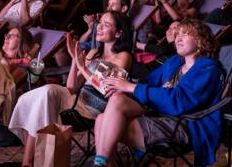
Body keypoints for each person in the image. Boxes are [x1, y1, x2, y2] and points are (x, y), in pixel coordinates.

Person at [92, 19, 224, 166]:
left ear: (200, 41)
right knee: (104, 116)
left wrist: (131, 87)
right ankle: (103, 163)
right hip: (159, 116)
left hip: (183, 126)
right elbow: (147, 83)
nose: (178, 38)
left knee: (106, 125)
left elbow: (178, 102)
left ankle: (102, 162)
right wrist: (121, 87)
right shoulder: (175, 62)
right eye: (177, 34)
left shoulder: (208, 70)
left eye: (185, 34)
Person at [9, 11, 133, 167]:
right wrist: (75, 60)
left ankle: (28, 163)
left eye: (106, 25)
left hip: (93, 108)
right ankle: (28, 162)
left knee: (47, 93)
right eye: (99, 23)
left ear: (118, 33)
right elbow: (72, 87)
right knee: (30, 98)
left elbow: (106, 88)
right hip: (74, 99)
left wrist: (84, 67)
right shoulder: (94, 53)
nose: (99, 28)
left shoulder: (123, 57)